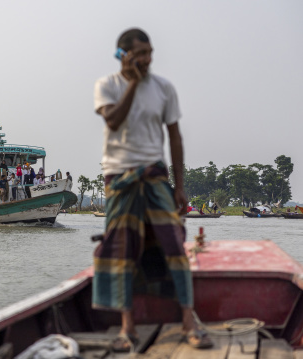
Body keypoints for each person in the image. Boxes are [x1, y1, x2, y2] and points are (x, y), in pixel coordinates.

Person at [93, 28, 212, 351]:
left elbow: (174, 137)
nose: (147, 59)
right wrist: (132, 82)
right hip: (119, 178)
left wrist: (180, 186)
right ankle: (127, 327)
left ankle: (189, 320)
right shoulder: (108, 86)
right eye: (140, 53)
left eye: (149, 52)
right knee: (122, 252)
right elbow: (114, 121)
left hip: (156, 176)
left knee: (174, 245)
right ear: (123, 55)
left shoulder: (164, 88)